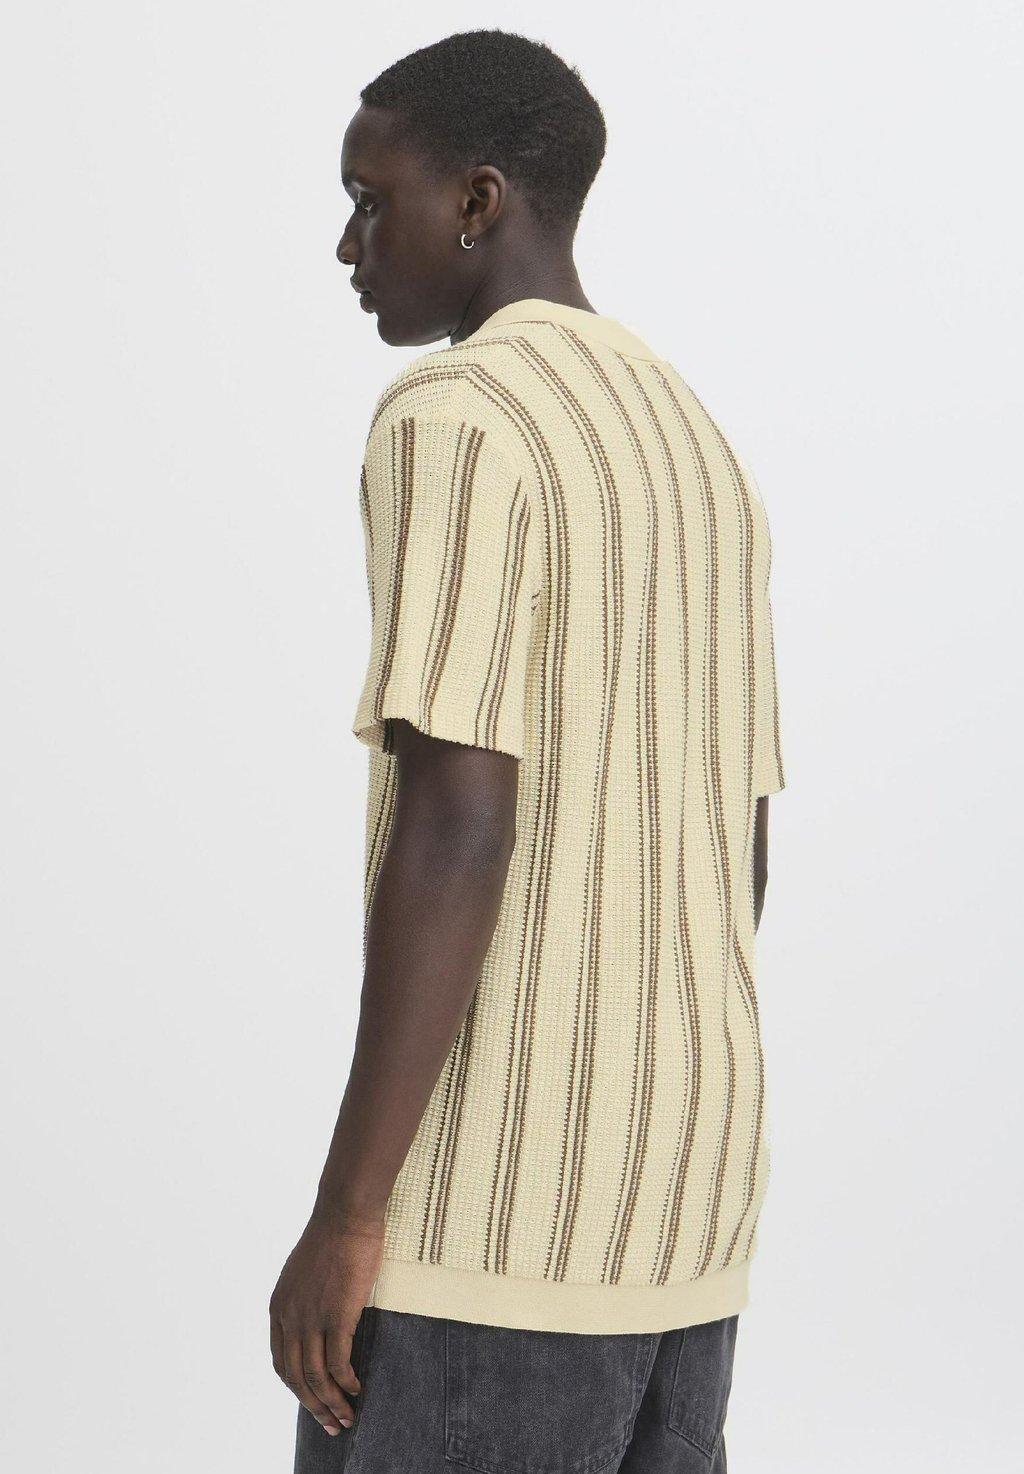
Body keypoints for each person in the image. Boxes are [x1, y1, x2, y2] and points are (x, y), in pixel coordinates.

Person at [270, 27, 785, 1474]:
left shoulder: (457, 419)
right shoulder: (696, 442)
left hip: (490, 1232)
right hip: (688, 1209)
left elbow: (458, 820)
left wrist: (349, 1212)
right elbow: (739, 843)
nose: (348, 243)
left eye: (371, 199)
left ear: (479, 202)